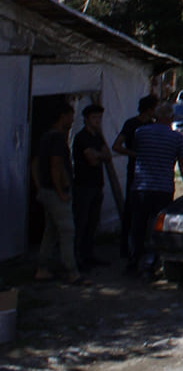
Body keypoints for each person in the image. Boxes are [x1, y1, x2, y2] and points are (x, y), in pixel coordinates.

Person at [126, 100, 183, 278]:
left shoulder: (141, 133)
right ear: (171, 118)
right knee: (157, 227)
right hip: (163, 188)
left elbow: (135, 152)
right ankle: (153, 261)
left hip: (141, 186)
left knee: (138, 226)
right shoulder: (177, 138)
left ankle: (134, 260)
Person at [31, 104, 80, 283]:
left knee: (50, 231)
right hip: (56, 192)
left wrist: (39, 187)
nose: (72, 120)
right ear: (63, 116)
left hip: (46, 190)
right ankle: (71, 271)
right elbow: (56, 165)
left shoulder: (44, 138)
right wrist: (60, 191)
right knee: (67, 231)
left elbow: (35, 163)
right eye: (70, 116)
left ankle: (42, 268)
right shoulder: (58, 139)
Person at [112, 94, 158, 262]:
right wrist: (135, 154)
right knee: (131, 210)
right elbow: (117, 145)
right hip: (136, 171)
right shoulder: (132, 124)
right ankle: (126, 246)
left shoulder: (153, 125)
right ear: (149, 109)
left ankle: (141, 245)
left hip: (149, 172)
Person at [71, 103, 111, 269]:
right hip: (83, 184)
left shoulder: (97, 136)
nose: (98, 121)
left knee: (92, 222)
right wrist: (99, 155)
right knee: (81, 221)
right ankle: (76, 257)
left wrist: (99, 155)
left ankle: (88, 254)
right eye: (94, 118)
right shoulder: (82, 137)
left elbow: (107, 155)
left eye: (99, 118)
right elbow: (92, 160)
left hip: (96, 184)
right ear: (86, 119)